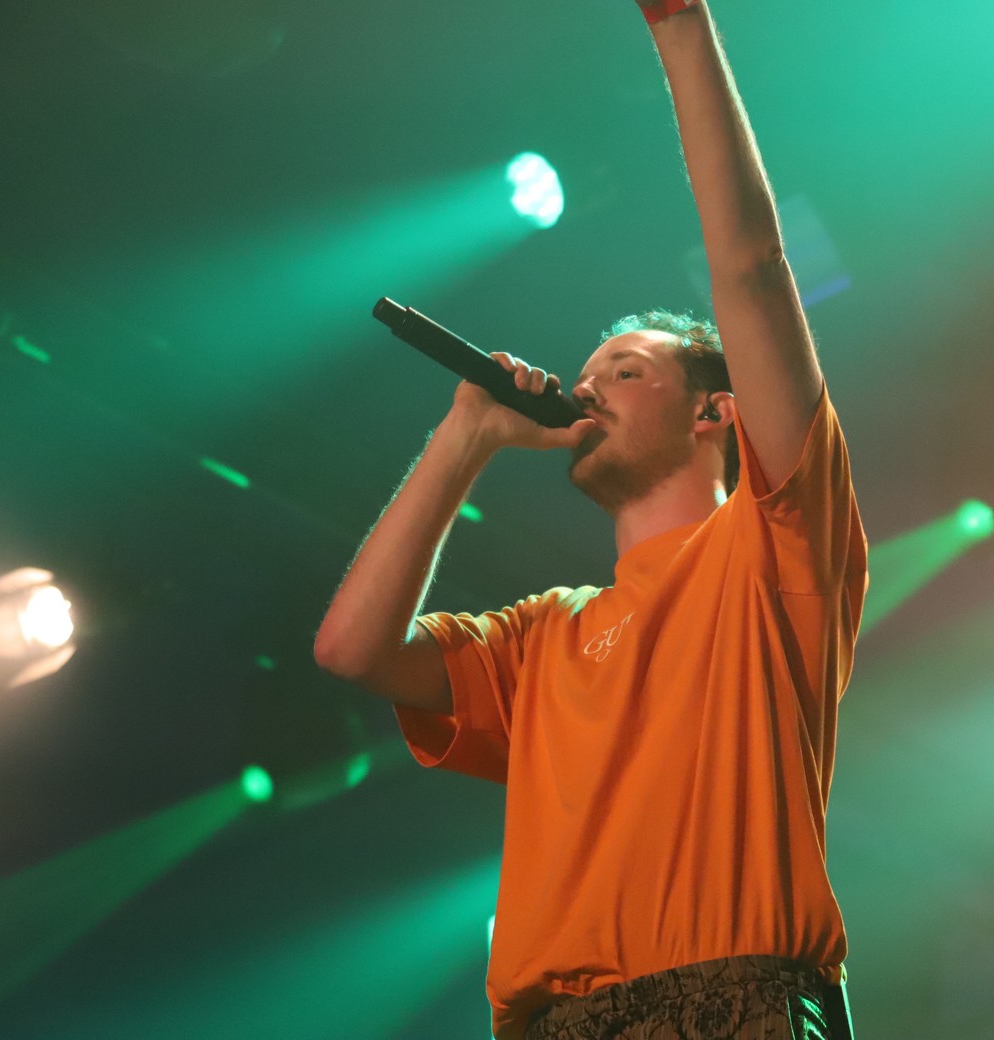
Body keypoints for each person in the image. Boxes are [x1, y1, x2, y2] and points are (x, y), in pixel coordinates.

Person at [314, 2, 867, 1037]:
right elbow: (351, 649)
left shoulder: (774, 537)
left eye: (626, 370)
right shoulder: (540, 637)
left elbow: (752, 270)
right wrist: (465, 437)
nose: (587, 387)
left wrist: (680, 26)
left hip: (729, 1003)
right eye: (586, 374)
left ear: (715, 413)